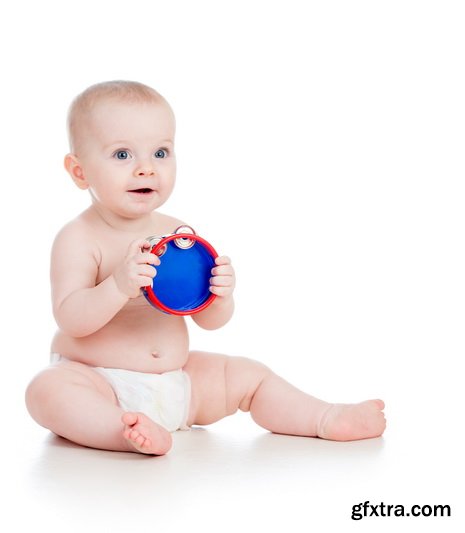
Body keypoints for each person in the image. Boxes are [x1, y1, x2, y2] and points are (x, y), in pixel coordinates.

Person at [25, 81, 386, 455]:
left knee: (249, 375)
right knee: (47, 391)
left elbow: (208, 321)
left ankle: (324, 418)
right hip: (100, 383)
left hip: (180, 383)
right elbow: (71, 318)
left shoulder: (177, 232)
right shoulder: (79, 238)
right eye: (122, 155)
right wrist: (118, 285)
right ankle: (121, 431)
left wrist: (218, 296)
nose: (146, 169)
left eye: (161, 152)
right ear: (79, 171)